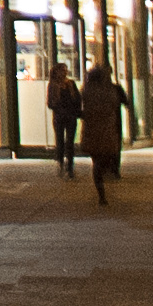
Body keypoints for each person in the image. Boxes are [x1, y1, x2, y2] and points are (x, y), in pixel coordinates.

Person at [79, 60, 126, 205]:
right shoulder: (109, 90)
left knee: (96, 161)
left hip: (91, 129)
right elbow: (115, 103)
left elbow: (81, 107)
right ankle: (105, 183)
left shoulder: (86, 90)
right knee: (105, 156)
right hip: (106, 128)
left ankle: (101, 193)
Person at [46, 63, 82, 179]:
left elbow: (77, 98)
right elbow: (50, 103)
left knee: (70, 142)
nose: (65, 72)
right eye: (62, 70)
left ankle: (70, 166)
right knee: (60, 140)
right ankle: (61, 162)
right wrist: (58, 107)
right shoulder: (53, 86)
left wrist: (76, 110)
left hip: (70, 116)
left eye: (65, 70)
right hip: (60, 117)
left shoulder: (71, 84)